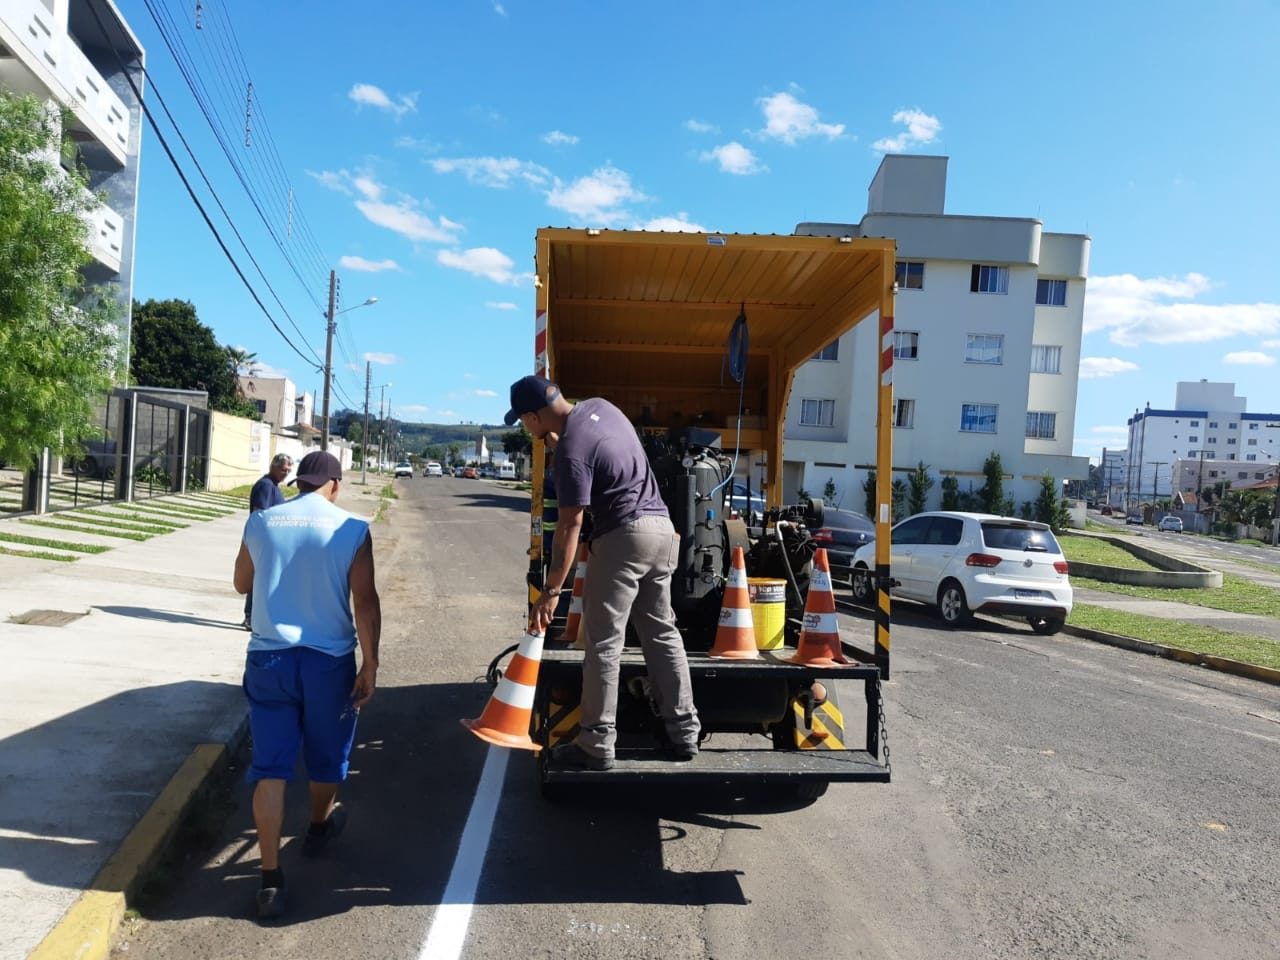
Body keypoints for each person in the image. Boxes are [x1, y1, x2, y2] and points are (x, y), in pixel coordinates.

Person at [506, 374, 700, 771]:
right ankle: (684, 732)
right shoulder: (601, 406)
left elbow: (569, 527)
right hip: (662, 532)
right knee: (662, 633)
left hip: (623, 538)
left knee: (602, 643)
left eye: (524, 422)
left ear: (533, 416)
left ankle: (596, 744)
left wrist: (551, 590)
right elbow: (608, 458)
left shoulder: (571, 453)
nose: (526, 430)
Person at [232, 449, 381, 920]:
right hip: (327, 662)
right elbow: (366, 601)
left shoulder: (261, 522)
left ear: (298, 483)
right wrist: (371, 663)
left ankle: (271, 880)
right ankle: (318, 828)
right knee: (326, 756)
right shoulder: (352, 530)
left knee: (270, 767)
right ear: (335, 485)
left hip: (269, 659)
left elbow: (241, 584)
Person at [242, 452, 294, 629]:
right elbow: (259, 515)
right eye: (282, 469)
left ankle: (255, 615)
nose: (285, 473)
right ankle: (250, 616)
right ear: (272, 467)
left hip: (268, 540)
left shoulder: (273, 486)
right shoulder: (265, 486)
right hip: (263, 540)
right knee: (258, 578)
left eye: (288, 470)